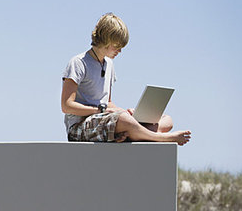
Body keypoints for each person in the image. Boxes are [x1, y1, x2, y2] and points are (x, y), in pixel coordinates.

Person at [61, 13, 191, 145]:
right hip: (79, 128)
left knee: (166, 119)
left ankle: (134, 133)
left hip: (104, 120)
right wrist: (102, 111)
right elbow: (66, 106)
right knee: (125, 120)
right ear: (106, 40)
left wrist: (124, 111)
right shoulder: (78, 63)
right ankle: (159, 137)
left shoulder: (109, 64)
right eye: (117, 46)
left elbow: (108, 102)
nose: (120, 51)